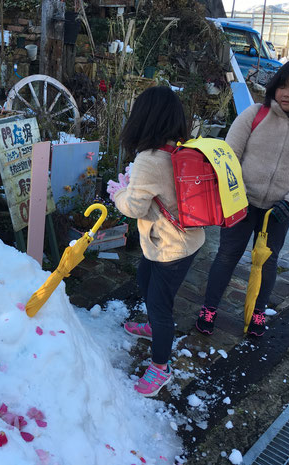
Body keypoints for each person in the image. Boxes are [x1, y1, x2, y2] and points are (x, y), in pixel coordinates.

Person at [195, 57, 289, 337]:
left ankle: (258, 312)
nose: (286, 93)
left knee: (267, 261)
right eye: (282, 85)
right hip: (241, 203)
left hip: (279, 211)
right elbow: (228, 157)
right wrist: (233, 195)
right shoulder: (255, 114)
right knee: (226, 256)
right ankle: (209, 308)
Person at [108, 86, 205, 397]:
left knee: (160, 306)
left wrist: (118, 193)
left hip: (169, 247)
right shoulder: (180, 149)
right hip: (184, 242)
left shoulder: (149, 158)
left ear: (143, 119)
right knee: (146, 279)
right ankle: (152, 326)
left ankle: (160, 367)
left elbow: (134, 207)